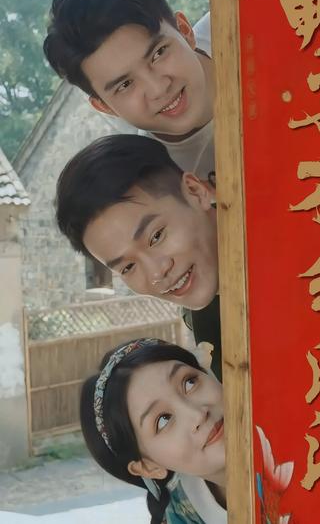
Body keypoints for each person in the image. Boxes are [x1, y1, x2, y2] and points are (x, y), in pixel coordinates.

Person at [56, 134, 222, 381]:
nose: (156, 273)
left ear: (195, 192)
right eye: (128, 267)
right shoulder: (203, 323)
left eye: (156, 236)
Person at [43, 0, 215, 182]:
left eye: (158, 53)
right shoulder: (160, 185)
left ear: (185, 30)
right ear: (105, 107)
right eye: (125, 85)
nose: (158, 89)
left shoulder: (247, 17)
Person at [81, 337, 227, 524]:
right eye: (163, 420)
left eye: (189, 383)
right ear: (149, 467)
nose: (197, 414)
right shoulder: (183, 517)